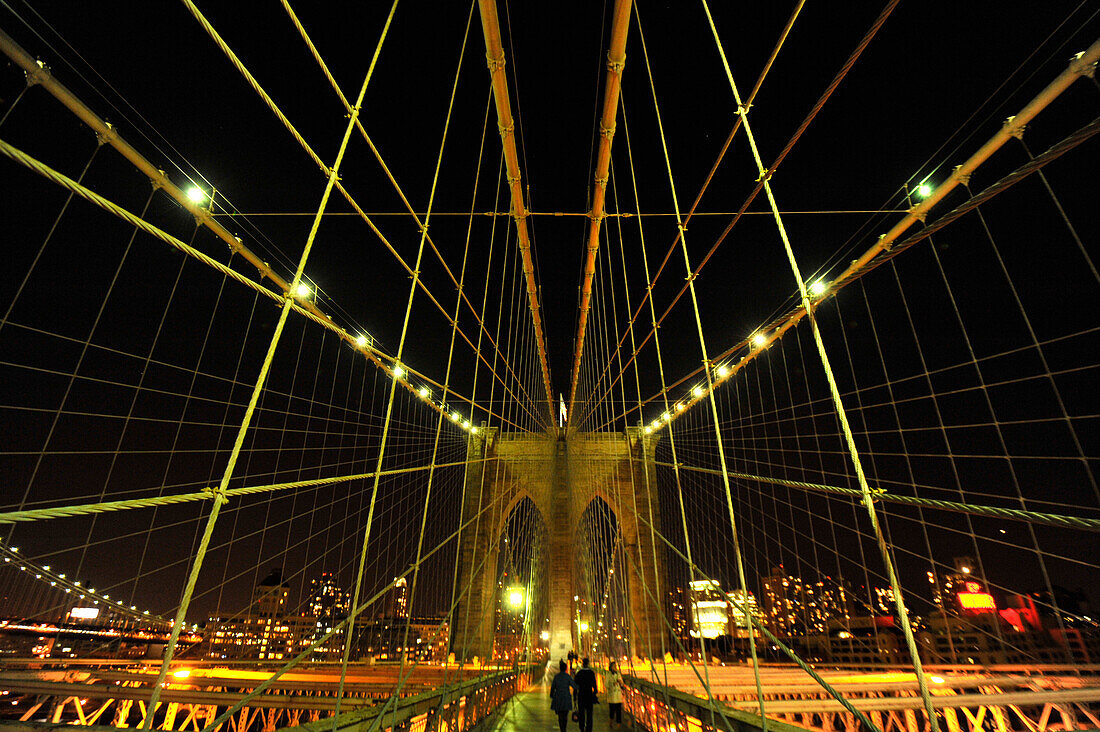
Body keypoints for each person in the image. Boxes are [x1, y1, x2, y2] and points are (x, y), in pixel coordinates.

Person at [549, 659, 576, 732]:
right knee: (565, 714)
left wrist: (551, 695)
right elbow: (574, 686)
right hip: (566, 698)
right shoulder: (567, 677)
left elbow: (553, 687)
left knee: (560, 715)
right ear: (566, 668)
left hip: (558, 697)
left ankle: (562, 729)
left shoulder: (556, 677)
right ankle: (564, 728)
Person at [574, 657, 598, 732]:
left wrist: (574, 697)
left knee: (581, 713)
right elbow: (595, 686)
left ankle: (582, 727)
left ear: (582, 664)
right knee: (589, 714)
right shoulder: (591, 673)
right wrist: (594, 693)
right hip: (589, 695)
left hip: (581, 695)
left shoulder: (579, 673)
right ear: (588, 664)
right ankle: (589, 728)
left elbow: (575, 686)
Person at [605, 660, 623, 727]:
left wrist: (620, 682)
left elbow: (622, 683)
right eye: (614, 666)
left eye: (616, 666)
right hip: (612, 695)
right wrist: (612, 684)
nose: (616, 667)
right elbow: (606, 684)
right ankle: (611, 722)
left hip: (618, 695)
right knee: (612, 711)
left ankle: (618, 725)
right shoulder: (608, 674)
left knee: (619, 711)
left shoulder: (618, 674)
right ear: (611, 667)